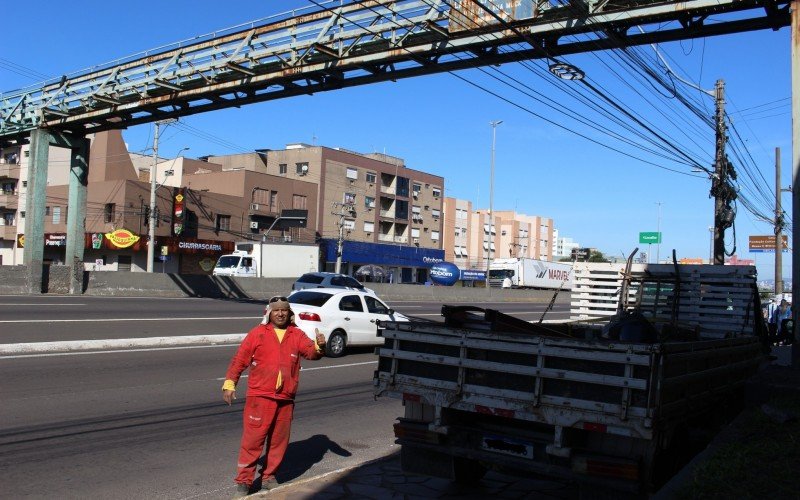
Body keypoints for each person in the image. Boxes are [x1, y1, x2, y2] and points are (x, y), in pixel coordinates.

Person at [222, 296, 326, 497]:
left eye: (284, 310)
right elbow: (239, 360)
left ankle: (269, 477)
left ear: (289, 313)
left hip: (285, 399)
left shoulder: (296, 334)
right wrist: (229, 383)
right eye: (276, 310)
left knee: (279, 442)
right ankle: (244, 481)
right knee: (253, 441)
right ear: (270, 313)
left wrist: (319, 346)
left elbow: (311, 352)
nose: (280, 314)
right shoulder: (258, 333)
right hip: (260, 397)